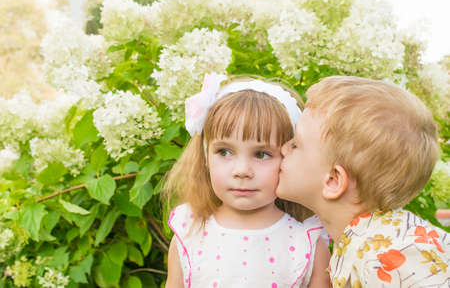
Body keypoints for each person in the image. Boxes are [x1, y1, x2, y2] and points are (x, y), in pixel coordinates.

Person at [277, 76, 449, 288]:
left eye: (296, 144)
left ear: (333, 180)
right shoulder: (376, 237)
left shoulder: (383, 257)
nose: (283, 149)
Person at [164, 73, 331, 288]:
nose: (242, 171)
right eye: (224, 152)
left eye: (261, 154)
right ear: (206, 156)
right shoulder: (189, 235)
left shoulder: (306, 246)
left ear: (289, 158)